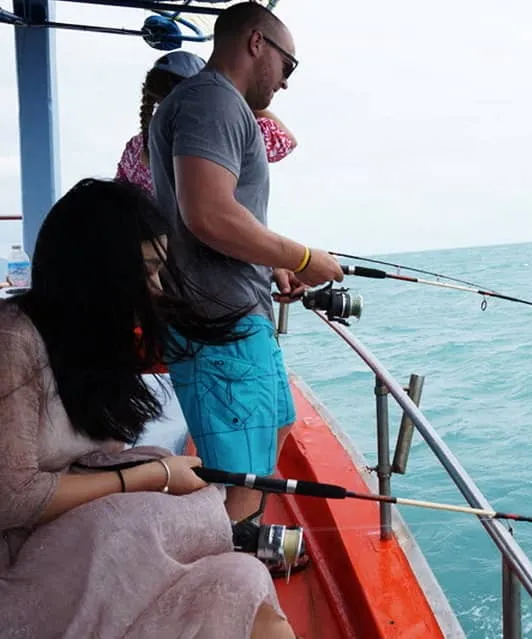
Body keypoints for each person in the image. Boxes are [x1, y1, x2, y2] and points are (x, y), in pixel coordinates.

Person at [0, 178, 296, 639]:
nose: (157, 288)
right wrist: (154, 476)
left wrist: (155, 471)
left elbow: (100, 456)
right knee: (145, 509)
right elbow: (13, 499)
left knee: (242, 580)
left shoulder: (91, 339)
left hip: (71, 541)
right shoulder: (12, 342)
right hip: (22, 559)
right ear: (94, 271)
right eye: (147, 271)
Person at [149, 1, 344, 523]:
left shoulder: (218, 104)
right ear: (257, 42)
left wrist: (271, 263)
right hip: (219, 327)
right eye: (288, 65)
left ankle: (243, 544)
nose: (286, 82)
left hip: (238, 318)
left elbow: (218, 216)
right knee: (243, 483)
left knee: (277, 426)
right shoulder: (212, 101)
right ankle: (234, 560)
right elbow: (208, 213)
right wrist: (303, 256)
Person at [116, 49, 299, 194]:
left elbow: (118, 196)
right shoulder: (219, 134)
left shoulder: (135, 148)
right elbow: (286, 141)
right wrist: (236, 93)